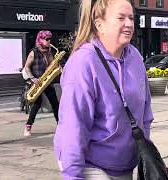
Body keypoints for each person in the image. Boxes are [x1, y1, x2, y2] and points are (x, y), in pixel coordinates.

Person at [54, 0, 154, 179]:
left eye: (131, 18)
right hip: (93, 167)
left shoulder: (135, 58)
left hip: (126, 167)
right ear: (99, 24)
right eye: (121, 18)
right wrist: (72, 175)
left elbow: (145, 114)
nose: (129, 24)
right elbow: (73, 128)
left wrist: (145, 156)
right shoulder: (83, 63)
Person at [23, 30, 59, 136]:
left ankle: (61, 126)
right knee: (37, 105)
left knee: (55, 104)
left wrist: (55, 65)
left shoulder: (49, 51)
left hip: (47, 81)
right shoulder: (33, 52)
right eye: (46, 39)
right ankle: (28, 127)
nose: (49, 41)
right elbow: (27, 67)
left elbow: (52, 65)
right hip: (38, 82)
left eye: (49, 39)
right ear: (40, 40)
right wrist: (33, 78)